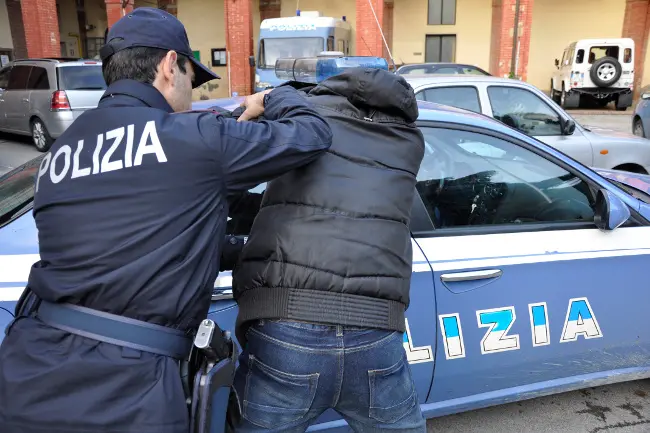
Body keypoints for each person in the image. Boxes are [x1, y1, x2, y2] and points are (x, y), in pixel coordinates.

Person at [0, 7, 332, 433]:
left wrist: (242, 248)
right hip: (126, 391)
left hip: (26, 372)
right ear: (170, 65)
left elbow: (145, 237)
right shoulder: (195, 138)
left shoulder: (60, 153)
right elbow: (312, 133)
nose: (192, 96)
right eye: (193, 81)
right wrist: (270, 98)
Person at [228, 67, 427, 432]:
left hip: (285, 325)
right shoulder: (410, 142)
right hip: (375, 329)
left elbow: (230, 152)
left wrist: (272, 99)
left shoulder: (300, 122)